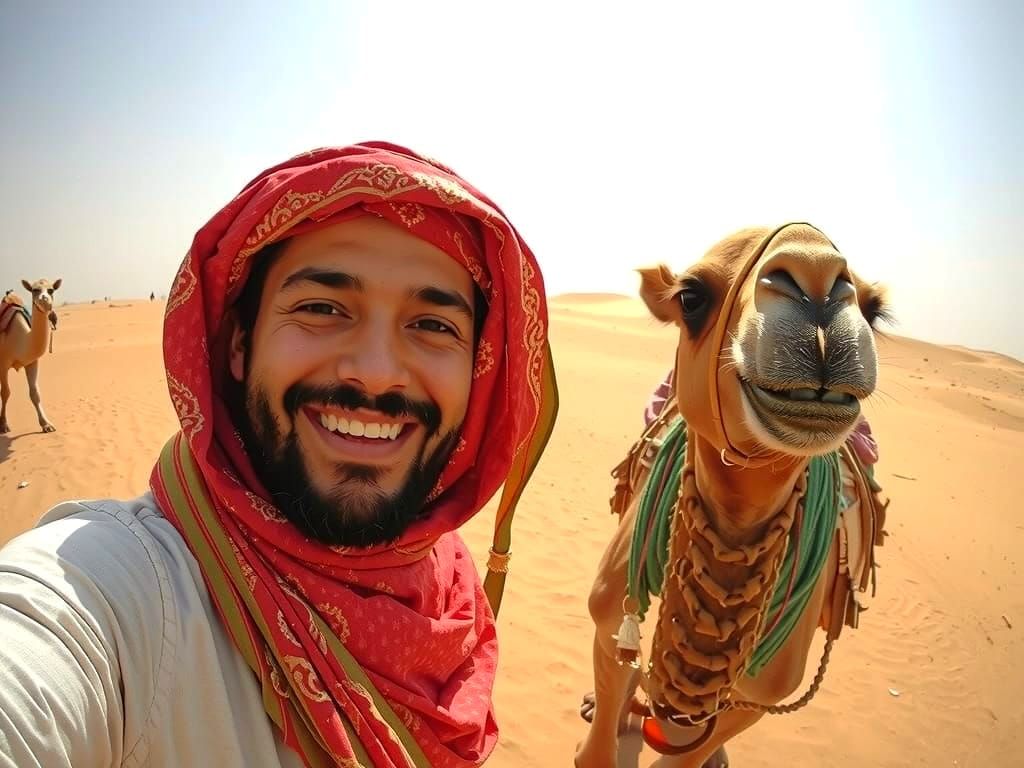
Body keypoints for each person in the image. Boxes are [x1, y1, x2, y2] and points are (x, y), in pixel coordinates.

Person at [0, 142, 558, 767]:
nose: (376, 375)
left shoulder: (448, 586)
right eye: (322, 308)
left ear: (478, 374)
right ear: (239, 344)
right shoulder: (122, 599)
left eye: (432, 325)